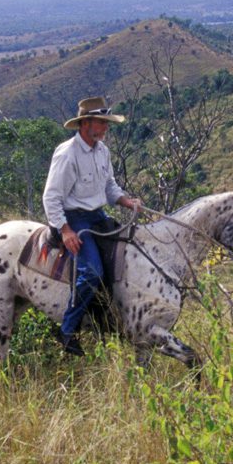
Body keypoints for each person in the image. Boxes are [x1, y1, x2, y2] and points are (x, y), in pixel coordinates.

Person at [42, 96, 143, 356]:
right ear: (85, 124)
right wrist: (65, 230)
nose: (106, 127)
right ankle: (67, 328)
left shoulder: (102, 151)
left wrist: (125, 201)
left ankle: (113, 316)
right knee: (92, 272)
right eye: (102, 122)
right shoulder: (67, 154)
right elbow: (51, 197)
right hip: (75, 218)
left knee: (129, 253)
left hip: (97, 214)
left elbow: (109, 187)